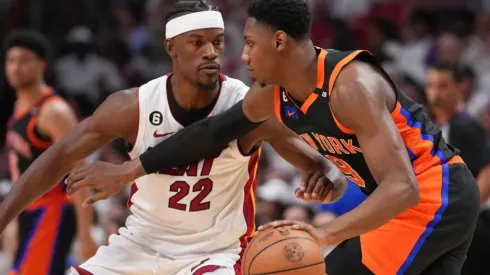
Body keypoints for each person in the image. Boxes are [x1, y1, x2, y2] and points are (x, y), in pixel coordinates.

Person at [66, 0, 480, 274]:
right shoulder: (271, 98)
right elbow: (208, 134)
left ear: (278, 42)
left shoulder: (349, 85)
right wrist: (129, 169)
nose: (242, 56)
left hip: (431, 193)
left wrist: (326, 234)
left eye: (249, 44)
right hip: (420, 202)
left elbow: (403, 188)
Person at [0, 2, 341, 275]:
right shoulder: (132, 106)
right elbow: (56, 158)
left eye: (217, 42)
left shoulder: (246, 106)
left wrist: (325, 179)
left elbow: (321, 167)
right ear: (171, 48)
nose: (211, 52)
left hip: (213, 255)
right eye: (197, 43)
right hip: (138, 246)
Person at [3, 30, 97, 275]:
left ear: (41, 64)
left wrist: (85, 233)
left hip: (52, 210)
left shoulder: (53, 111)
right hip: (27, 211)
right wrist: (13, 220)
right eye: (11, 61)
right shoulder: (19, 108)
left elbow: (80, 169)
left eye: (23, 60)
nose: (15, 67)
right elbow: (20, 171)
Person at [425, 62, 490, 275]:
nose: (436, 92)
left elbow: (487, 170)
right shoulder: (441, 128)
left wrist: (465, 216)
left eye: (443, 85)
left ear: (458, 89)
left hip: (477, 225)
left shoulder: (464, 126)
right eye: (432, 85)